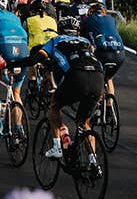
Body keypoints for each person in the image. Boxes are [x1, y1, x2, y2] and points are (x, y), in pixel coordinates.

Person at [12, 16, 104, 174]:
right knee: (84, 123)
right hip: (98, 77)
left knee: (55, 105)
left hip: (77, 76)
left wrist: (11, 64)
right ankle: (93, 162)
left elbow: (34, 59)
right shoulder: (86, 42)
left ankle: (56, 147)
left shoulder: (55, 40)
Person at [81, 1, 125, 96]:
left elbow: (82, 39)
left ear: (90, 12)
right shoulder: (112, 19)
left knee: (96, 76)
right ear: (104, 12)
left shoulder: (87, 20)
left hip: (101, 53)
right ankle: (110, 105)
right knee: (109, 78)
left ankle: (96, 102)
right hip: (119, 53)